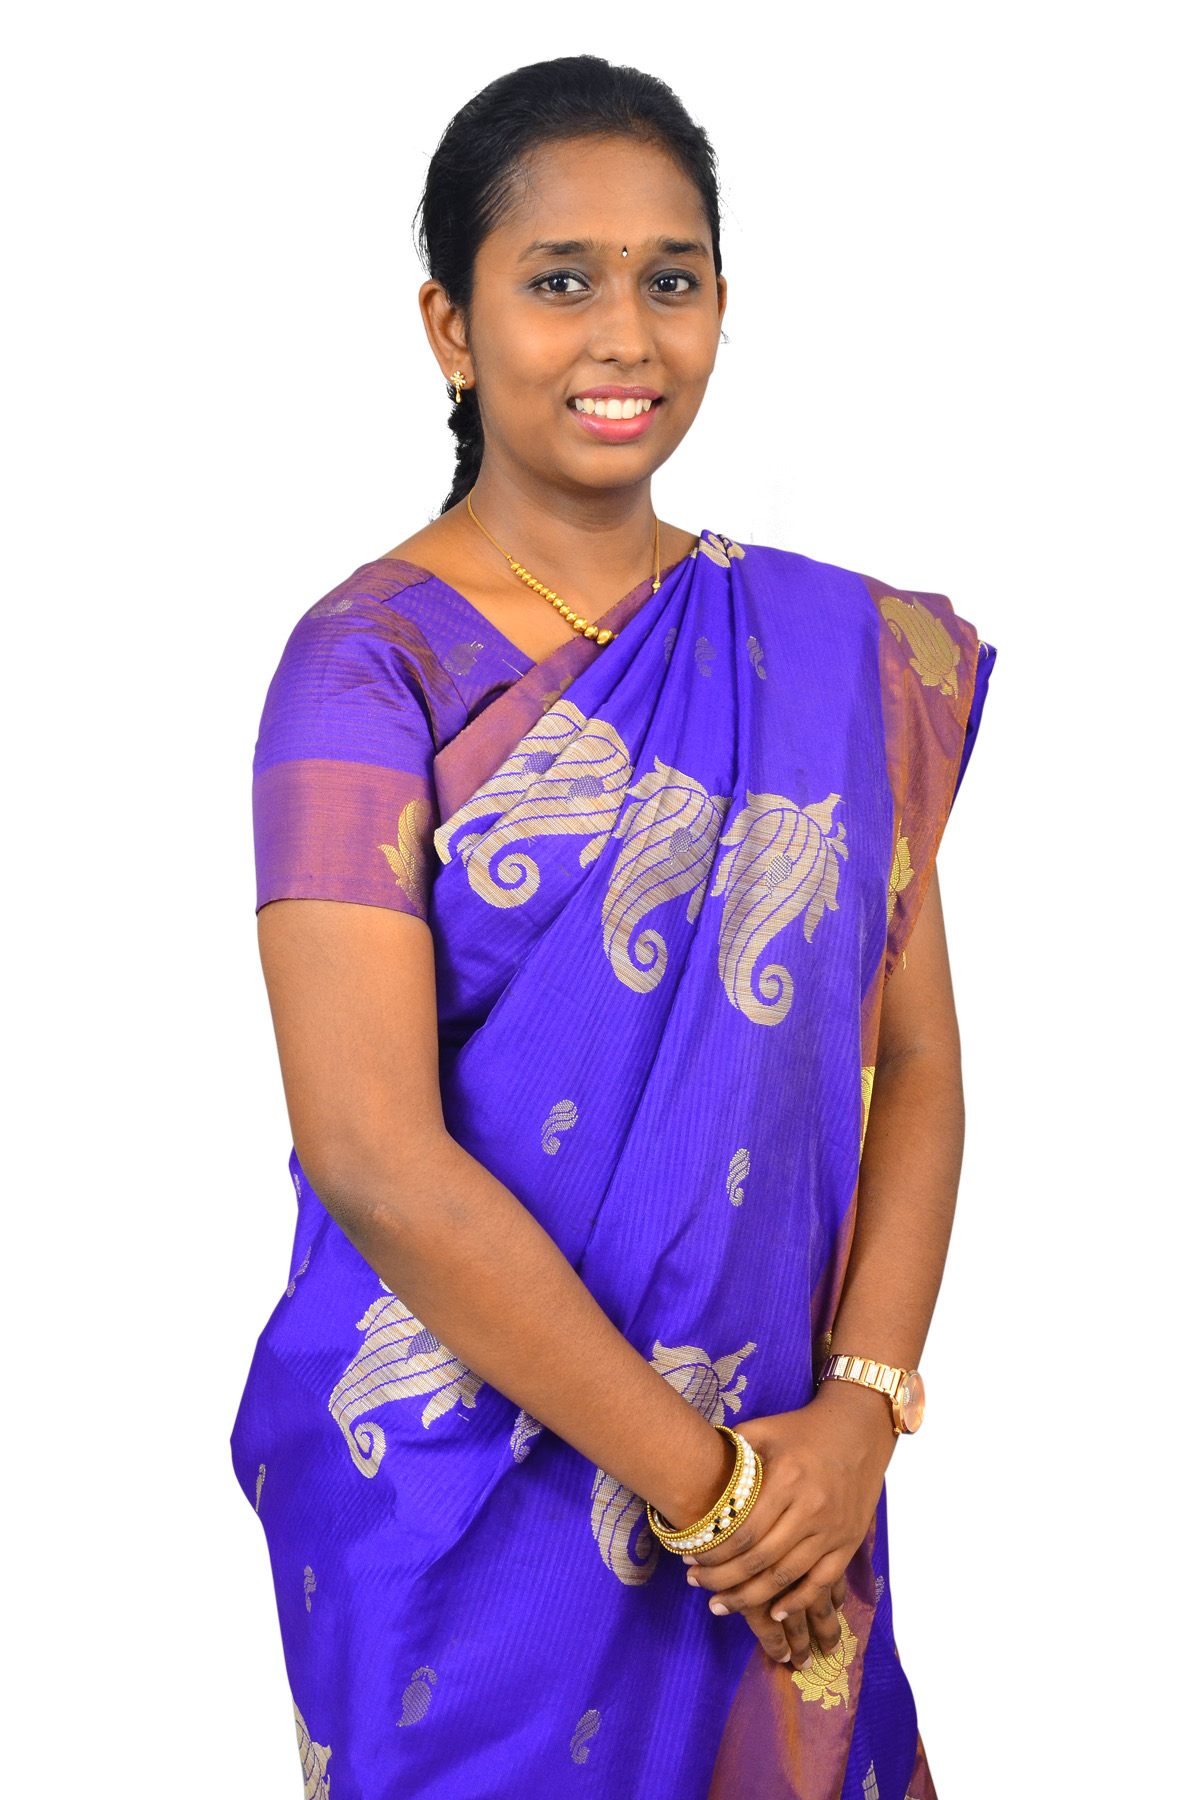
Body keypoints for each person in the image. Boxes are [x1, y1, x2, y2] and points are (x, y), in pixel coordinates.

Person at [232, 53, 993, 1800]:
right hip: (463, 1510)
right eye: (560, 281)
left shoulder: (828, 661)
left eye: (672, 278)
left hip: (791, 1489)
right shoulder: (364, 671)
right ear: (452, 325)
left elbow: (919, 1066)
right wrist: (712, 1491)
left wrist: (857, 1417)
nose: (625, 336)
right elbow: (370, 1152)